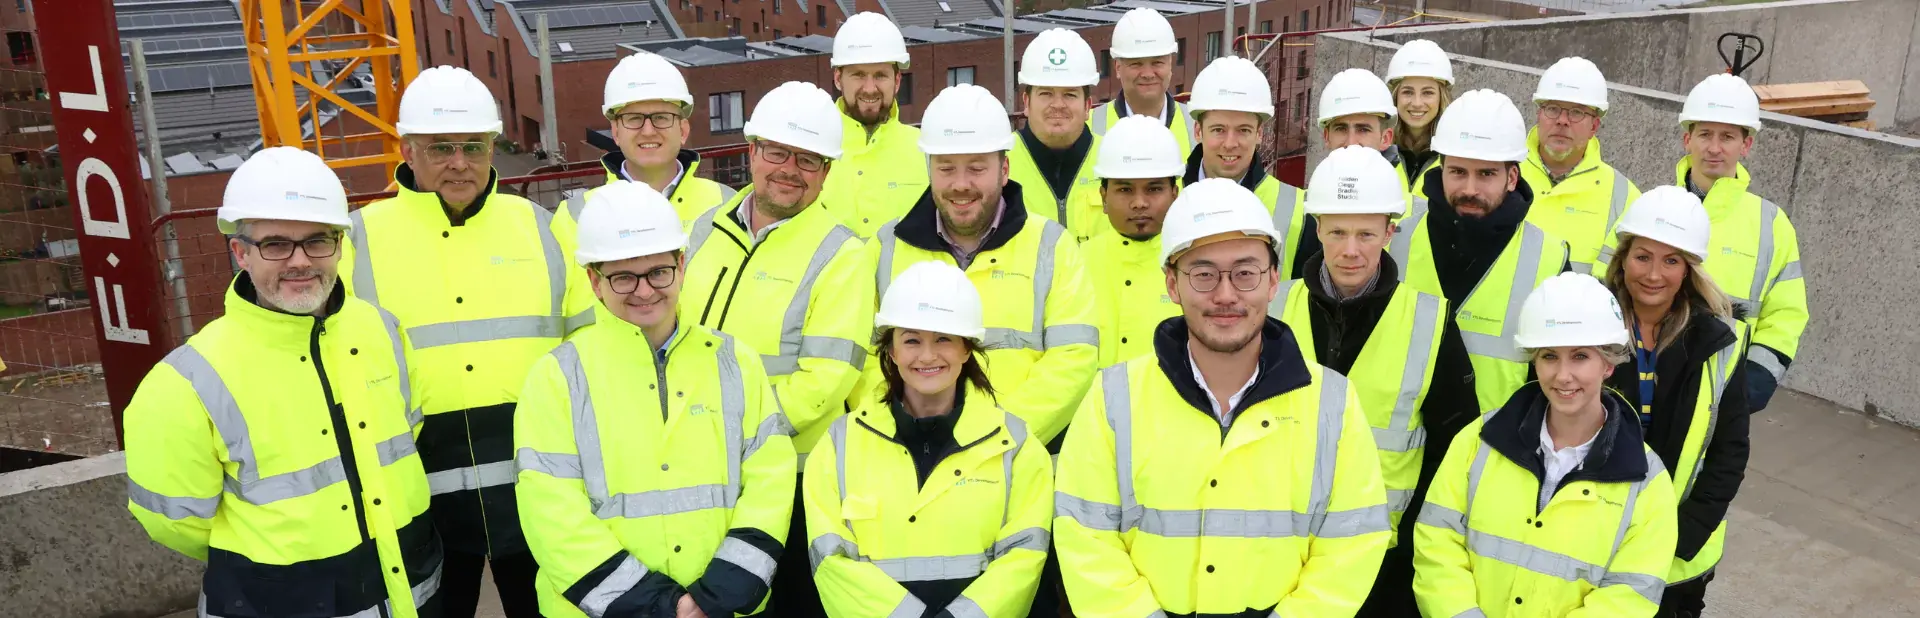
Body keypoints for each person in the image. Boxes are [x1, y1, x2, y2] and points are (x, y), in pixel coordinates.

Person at [125, 147, 442, 618]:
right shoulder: (185, 382)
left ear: (339, 244)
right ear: (240, 252)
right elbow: (176, 521)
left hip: (410, 591)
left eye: (317, 241)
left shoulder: (381, 330)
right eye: (276, 244)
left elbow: (407, 432)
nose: (300, 261)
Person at [1055, 177, 1391, 617]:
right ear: (1172, 285)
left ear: (1273, 281)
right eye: (1204, 273)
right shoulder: (1114, 398)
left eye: (1245, 273)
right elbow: (1086, 538)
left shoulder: (1332, 402)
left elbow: (1351, 547)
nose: (1226, 294)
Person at [513, 182, 795, 618]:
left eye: (658, 272)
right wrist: (660, 607)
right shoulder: (557, 377)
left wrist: (716, 596)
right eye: (624, 276)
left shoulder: (736, 362)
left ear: (681, 266)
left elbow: (769, 484)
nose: (644, 291)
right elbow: (551, 513)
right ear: (594, 280)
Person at [869, 84, 1099, 617]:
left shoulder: (1051, 246)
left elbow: (1073, 361)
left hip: (1018, 474)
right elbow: (867, 362)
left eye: (977, 167)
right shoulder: (884, 249)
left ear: (1004, 165)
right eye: (946, 168)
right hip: (909, 473)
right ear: (928, 167)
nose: (961, 185)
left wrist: (989, 442)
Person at [341, 65, 561, 618]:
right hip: (418, 492)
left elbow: (589, 345)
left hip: (535, 487)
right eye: (440, 148)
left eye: (472, 146)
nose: (459, 162)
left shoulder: (541, 226)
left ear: (492, 146)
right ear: (408, 149)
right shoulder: (357, 238)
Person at [678, 81, 873, 618]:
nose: (789, 168)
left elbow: (825, 378)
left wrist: (737, 437)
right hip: (701, 466)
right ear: (752, 151)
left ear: (827, 171)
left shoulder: (842, 253)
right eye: (777, 152)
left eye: (808, 159)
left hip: (792, 476)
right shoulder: (701, 232)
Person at [1413, 272, 1679, 618]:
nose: (1563, 375)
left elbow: (1631, 595)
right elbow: (1437, 540)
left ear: (1608, 364)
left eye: (1580, 356)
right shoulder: (1479, 440)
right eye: (1550, 356)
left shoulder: (1646, 483)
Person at [805, 261, 1053, 617]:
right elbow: (830, 558)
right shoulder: (838, 443)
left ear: (967, 349)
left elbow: (1024, 556)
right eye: (911, 340)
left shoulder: (1016, 445)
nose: (927, 355)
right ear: (890, 351)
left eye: (943, 339)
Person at [1272, 146, 1448, 618]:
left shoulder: (1429, 320)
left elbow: (1449, 449)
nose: (1351, 250)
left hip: (1382, 552)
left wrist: (1413, 539)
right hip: (1281, 542)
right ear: (1317, 230)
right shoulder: (1274, 311)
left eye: (1367, 234)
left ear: (1390, 232)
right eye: (1338, 232)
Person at [1599, 73, 1806, 414]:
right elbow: (1605, 285)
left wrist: (1752, 381)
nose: (1714, 147)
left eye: (1727, 136)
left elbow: (1786, 314)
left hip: (1723, 387)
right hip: (1638, 377)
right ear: (1687, 139)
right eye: (1705, 134)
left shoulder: (1772, 224)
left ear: (1746, 145)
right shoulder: (1648, 209)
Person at [1601, 186, 1751, 618]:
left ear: (1688, 270)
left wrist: (1682, 537)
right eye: (1643, 256)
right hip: (1590, 538)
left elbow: (1729, 451)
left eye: (1671, 261)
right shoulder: (1590, 322)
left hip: (1677, 558)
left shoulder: (1718, 342)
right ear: (1623, 257)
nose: (1653, 274)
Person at [1181, 57, 1315, 277]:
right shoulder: (1166, 199)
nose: (1231, 143)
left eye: (1243, 130)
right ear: (1197, 131)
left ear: (1259, 133)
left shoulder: (1299, 213)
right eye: (1218, 130)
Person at [1083, 115, 1185, 366]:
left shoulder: (1197, 266)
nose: (1140, 202)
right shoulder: (1074, 264)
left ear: (1175, 194)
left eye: (1153, 189)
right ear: (1103, 196)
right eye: (1125, 189)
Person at [1523, 57, 1640, 274]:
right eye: (1553, 108)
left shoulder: (1624, 197)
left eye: (1577, 112)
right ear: (1539, 114)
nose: (1562, 120)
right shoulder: (1500, 172)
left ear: (1594, 125)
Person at [820, 12, 929, 237]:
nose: (870, 88)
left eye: (880, 75)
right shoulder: (812, 149)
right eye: (858, 75)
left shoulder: (926, 150)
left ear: (897, 81)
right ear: (838, 78)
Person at [1009, 28, 1106, 243]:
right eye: (1046, 93)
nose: (1058, 105)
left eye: (1070, 94)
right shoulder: (1001, 164)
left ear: (1088, 105)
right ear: (1026, 102)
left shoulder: (1112, 159)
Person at [1088, 7, 1193, 163]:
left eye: (1157, 62)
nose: (1148, 73)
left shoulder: (1197, 126)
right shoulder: (1087, 128)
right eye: (1136, 63)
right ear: (1117, 67)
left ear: (1170, 64)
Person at [1386, 39, 1455, 198]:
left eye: (1427, 93)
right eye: (1408, 92)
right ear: (1396, 96)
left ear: (1441, 98)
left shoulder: (1455, 153)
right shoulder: (1378, 149)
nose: (1417, 103)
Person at [1319, 68, 1408, 190]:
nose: (1351, 143)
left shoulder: (1407, 205)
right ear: (1326, 137)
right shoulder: (1306, 204)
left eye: (1363, 130)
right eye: (1341, 129)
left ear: (1385, 139)